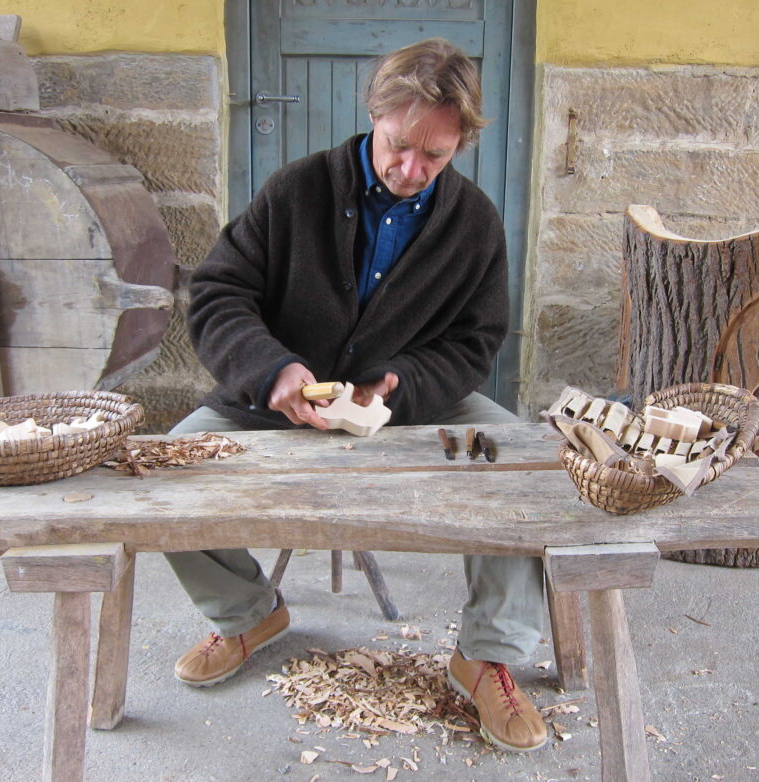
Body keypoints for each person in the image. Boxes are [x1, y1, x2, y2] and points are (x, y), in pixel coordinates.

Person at [165, 38, 548, 753]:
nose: (410, 170)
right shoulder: (297, 189)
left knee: (519, 462)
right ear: (374, 114)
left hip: (412, 402)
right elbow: (219, 292)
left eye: (434, 156)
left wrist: (404, 385)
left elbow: (475, 341)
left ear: (462, 141)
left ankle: (486, 653)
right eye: (399, 146)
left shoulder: (475, 224)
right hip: (275, 398)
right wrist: (273, 369)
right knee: (163, 468)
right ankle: (247, 613)